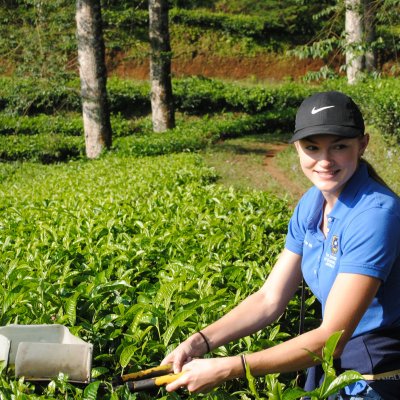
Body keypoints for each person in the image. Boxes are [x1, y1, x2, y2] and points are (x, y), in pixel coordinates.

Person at [161, 91, 400, 399]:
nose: (324, 161)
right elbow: (269, 299)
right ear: (297, 149)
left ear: (362, 144)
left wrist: (230, 367)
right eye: (312, 148)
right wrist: (198, 342)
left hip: (375, 369)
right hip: (331, 361)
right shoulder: (312, 203)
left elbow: (332, 338)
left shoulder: (375, 216)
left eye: (339, 147)